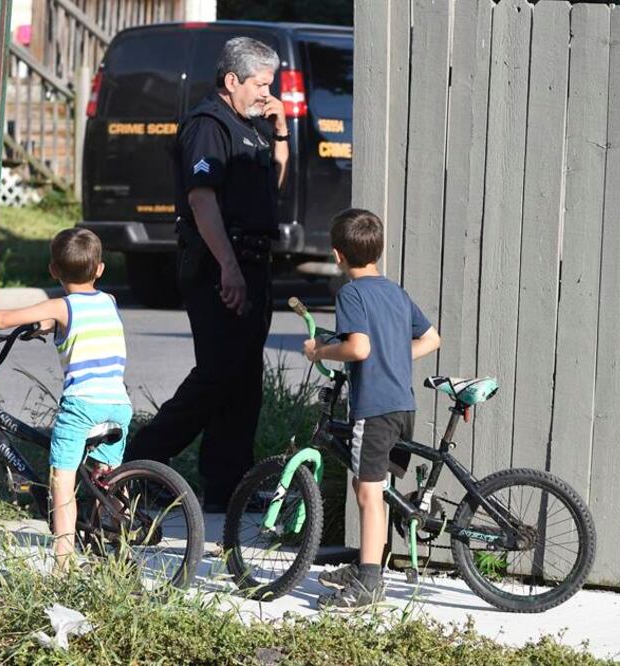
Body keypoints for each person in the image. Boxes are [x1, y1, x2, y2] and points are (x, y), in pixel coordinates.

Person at [123, 37, 290, 513]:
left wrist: (280, 131)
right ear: (232, 80)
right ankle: (140, 463)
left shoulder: (250, 127)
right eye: (261, 84)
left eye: (271, 84)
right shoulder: (208, 126)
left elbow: (271, 188)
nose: (268, 93)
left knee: (244, 381)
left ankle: (228, 488)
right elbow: (201, 200)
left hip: (252, 264)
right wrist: (229, 269)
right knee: (216, 376)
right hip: (220, 266)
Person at [0, 227, 132, 568]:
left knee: (62, 480)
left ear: (53, 270)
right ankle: (124, 537)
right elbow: (78, 317)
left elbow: (3, 318)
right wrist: (49, 324)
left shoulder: (60, 306)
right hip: (118, 403)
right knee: (109, 475)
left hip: (83, 405)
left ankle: (62, 564)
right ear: (100, 269)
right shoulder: (109, 300)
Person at [303, 208, 442, 609]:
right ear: (378, 250)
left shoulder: (351, 294)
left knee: (368, 493)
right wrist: (394, 356)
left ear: (337, 255)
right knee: (370, 488)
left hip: (375, 408)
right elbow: (432, 338)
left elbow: (358, 347)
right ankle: (368, 567)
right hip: (403, 407)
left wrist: (320, 351)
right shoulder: (396, 292)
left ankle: (367, 585)